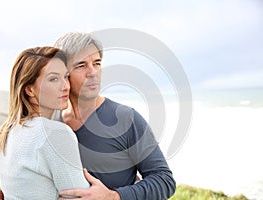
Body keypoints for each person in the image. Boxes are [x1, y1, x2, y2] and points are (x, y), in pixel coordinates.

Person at [54, 32, 176, 200]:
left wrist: (113, 196)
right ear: (63, 74)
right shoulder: (51, 122)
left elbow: (164, 180)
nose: (92, 72)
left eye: (97, 63)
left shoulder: (127, 119)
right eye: (81, 65)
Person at [0, 46, 90, 199]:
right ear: (29, 90)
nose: (65, 86)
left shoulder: (7, 132)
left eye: (65, 77)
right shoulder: (55, 133)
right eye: (53, 79)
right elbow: (80, 196)